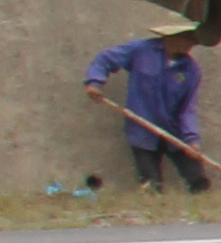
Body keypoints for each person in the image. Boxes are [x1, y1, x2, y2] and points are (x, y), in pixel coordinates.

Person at [82, 18, 212, 193]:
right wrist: (95, 82)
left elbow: (187, 109)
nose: (192, 44)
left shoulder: (190, 70)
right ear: (172, 37)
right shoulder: (140, 51)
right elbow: (105, 59)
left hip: (174, 130)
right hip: (142, 128)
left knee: (198, 179)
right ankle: (156, 209)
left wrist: (191, 139)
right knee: (151, 184)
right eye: (188, 39)